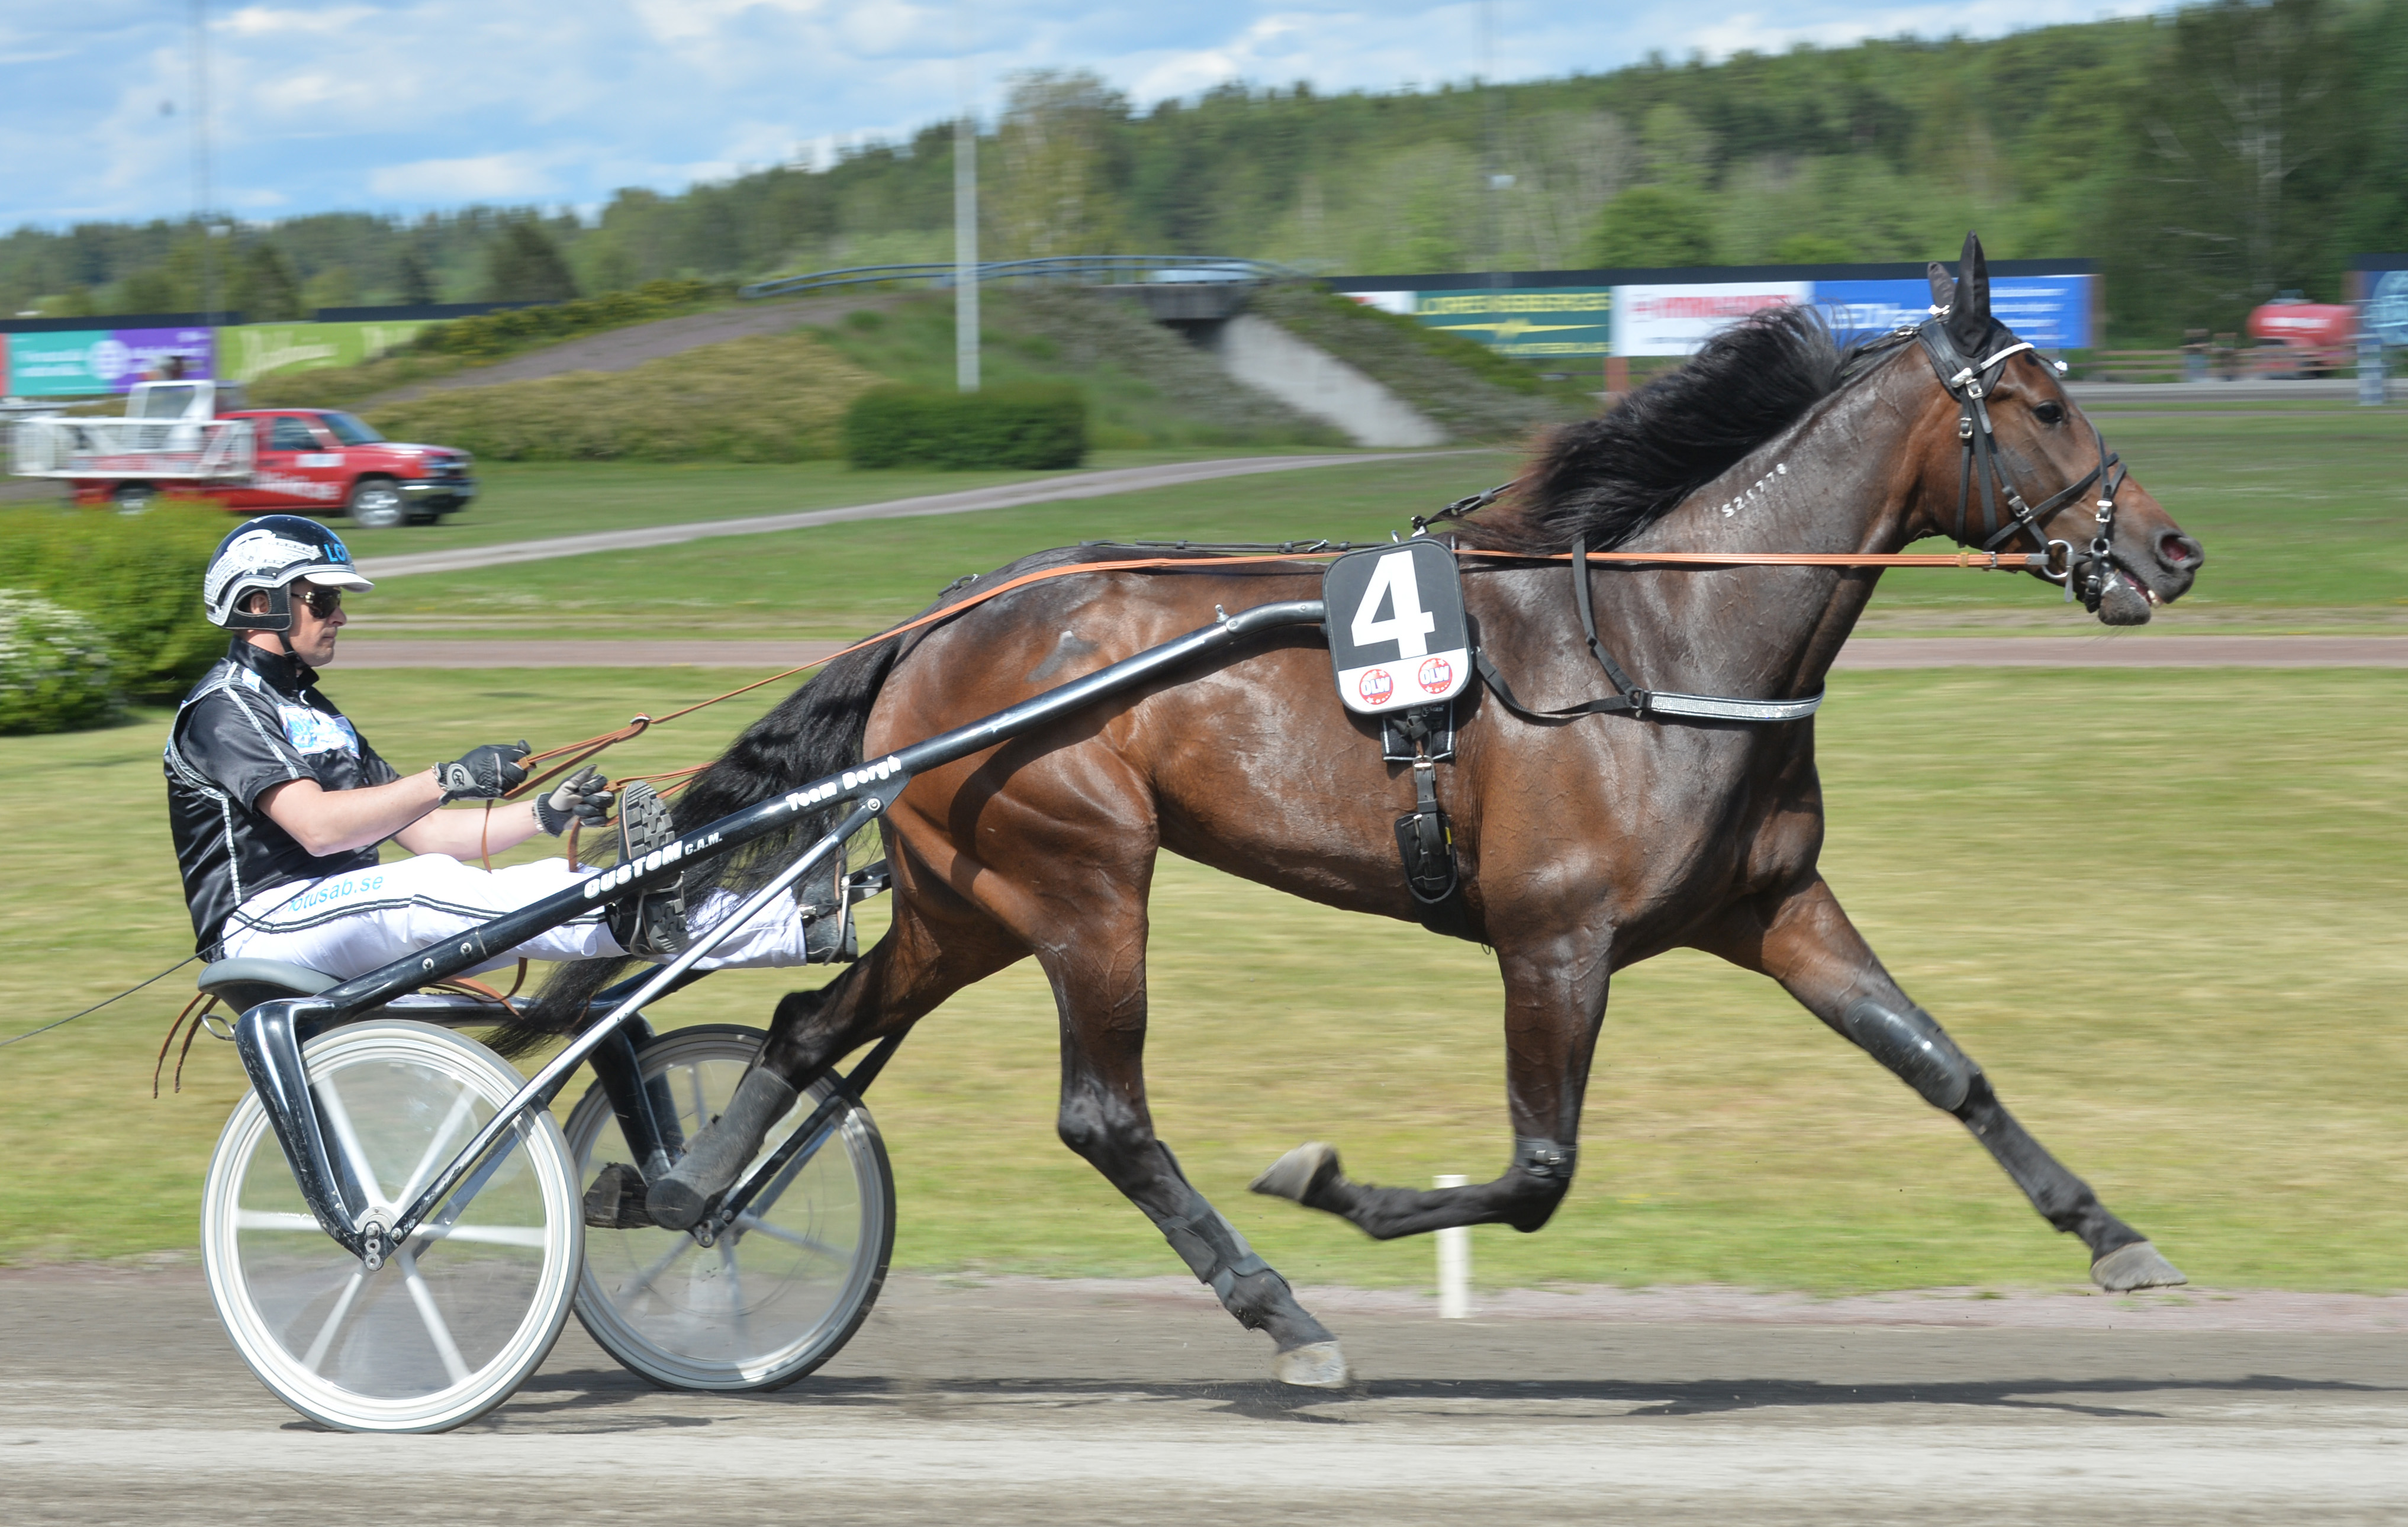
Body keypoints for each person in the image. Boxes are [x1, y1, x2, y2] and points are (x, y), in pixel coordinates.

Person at [163, 514, 847, 984]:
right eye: (320, 599)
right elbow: (316, 829)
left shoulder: (317, 713)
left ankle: (792, 922)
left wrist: (545, 814)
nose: (341, 614)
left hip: (342, 911)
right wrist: (449, 775)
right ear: (258, 605)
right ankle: (626, 912)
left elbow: (428, 831)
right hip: (266, 925)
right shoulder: (224, 709)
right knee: (425, 889)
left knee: (549, 877)